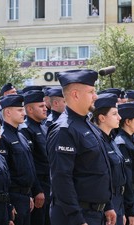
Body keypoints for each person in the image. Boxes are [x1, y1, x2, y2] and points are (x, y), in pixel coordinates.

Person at [47, 69, 116, 225]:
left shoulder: (88, 125)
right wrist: (77, 219)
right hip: (76, 216)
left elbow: (99, 169)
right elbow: (61, 179)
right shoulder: (64, 130)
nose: (95, 96)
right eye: (91, 91)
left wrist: (107, 206)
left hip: (94, 213)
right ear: (75, 95)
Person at [0, 94, 39, 225]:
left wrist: (30, 194)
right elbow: (2, 174)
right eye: (19, 110)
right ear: (8, 112)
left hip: (25, 196)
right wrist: (8, 204)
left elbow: (28, 167)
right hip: (14, 197)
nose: (24, 113)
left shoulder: (20, 135)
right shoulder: (2, 137)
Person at [92, 93, 126, 225]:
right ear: (102, 118)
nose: (119, 117)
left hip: (118, 200)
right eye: (114, 114)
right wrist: (109, 206)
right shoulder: (97, 142)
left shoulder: (111, 139)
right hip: (106, 202)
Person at [19, 90, 49, 225]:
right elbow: (30, 163)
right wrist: (37, 190)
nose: (45, 108)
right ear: (29, 109)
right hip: (39, 185)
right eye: (41, 106)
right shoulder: (25, 129)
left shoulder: (43, 126)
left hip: (49, 183)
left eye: (45, 105)